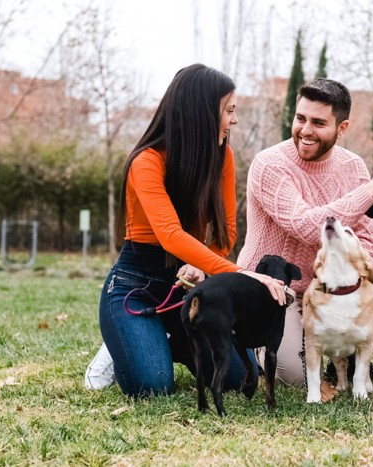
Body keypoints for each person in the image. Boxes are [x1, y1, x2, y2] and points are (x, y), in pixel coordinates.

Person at [84, 64, 288, 397]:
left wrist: (205, 265)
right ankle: (124, 341)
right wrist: (246, 275)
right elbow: (170, 235)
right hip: (136, 286)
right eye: (229, 111)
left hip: (189, 290)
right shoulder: (146, 162)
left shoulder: (222, 156)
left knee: (237, 379)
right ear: (201, 113)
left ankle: (168, 339)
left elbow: (227, 233)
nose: (233, 120)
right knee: (152, 385)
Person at [236, 78, 373, 388]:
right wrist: (369, 192)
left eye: (318, 122)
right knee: (295, 375)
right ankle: (265, 344)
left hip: (330, 287)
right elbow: (305, 226)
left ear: (342, 128)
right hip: (279, 292)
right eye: (300, 118)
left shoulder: (353, 167)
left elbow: (369, 245)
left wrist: (342, 288)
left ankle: (350, 350)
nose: (305, 130)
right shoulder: (270, 165)